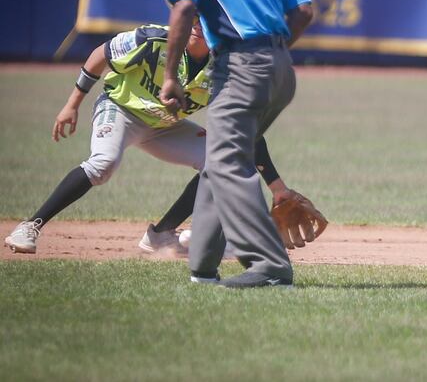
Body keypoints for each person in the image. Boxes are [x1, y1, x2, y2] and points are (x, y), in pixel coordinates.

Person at [3, 20, 296, 255]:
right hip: (120, 109)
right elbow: (99, 56)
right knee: (103, 163)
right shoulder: (153, 40)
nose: (196, 22)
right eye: (193, 14)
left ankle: (160, 235)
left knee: (220, 161)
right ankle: (30, 226)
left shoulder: (225, 70)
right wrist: (72, 105)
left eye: (205, 18)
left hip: (164, 125)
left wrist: (278, 188)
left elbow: (246, 130)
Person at [160, 0, 313, 288]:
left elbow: (184, 8)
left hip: (241, 64)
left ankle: (270, 266)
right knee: (222, 159)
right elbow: (303, 11)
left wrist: (170, 76)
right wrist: (274, 54)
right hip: (281, 68)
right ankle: (203, 266)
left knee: (227, 161)